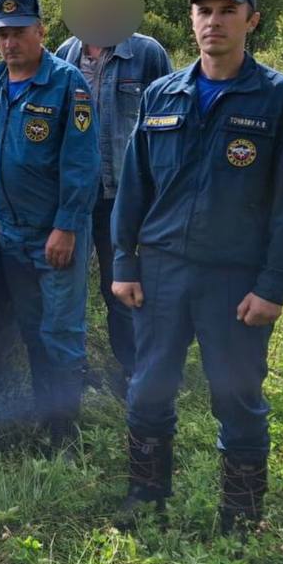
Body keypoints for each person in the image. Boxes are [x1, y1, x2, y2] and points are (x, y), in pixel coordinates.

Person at [110, 0, 283, 534]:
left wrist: (273, 286)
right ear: (191, 21)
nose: (214, 22)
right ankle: (146, 496)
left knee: (238, 396)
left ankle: (240, 517)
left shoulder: (281, 99)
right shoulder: (162, 94)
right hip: (161, 273)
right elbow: (134, 187)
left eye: (228, 11)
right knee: (148, 387)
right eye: (204, 11)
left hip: (234, 281)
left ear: (252, 20)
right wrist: (124, 262)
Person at [0, 0, 101, 446]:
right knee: (30, 325)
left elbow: (82, 163)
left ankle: (63, 429)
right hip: (10, 233)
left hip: (55, 233)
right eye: (2, 33)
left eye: (20, 31)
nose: (10, 42)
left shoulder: (66, 85)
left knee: (60, 329)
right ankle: (47, 411)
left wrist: (66, 226)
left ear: (41, 31)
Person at [55, 28, 171, 397]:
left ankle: (133, 371)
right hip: (73, 195)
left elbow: (170, 119)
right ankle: (75, 368)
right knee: (67, 287)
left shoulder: (147, 54)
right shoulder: (65, 54)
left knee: (121, 286)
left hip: (123, 194)